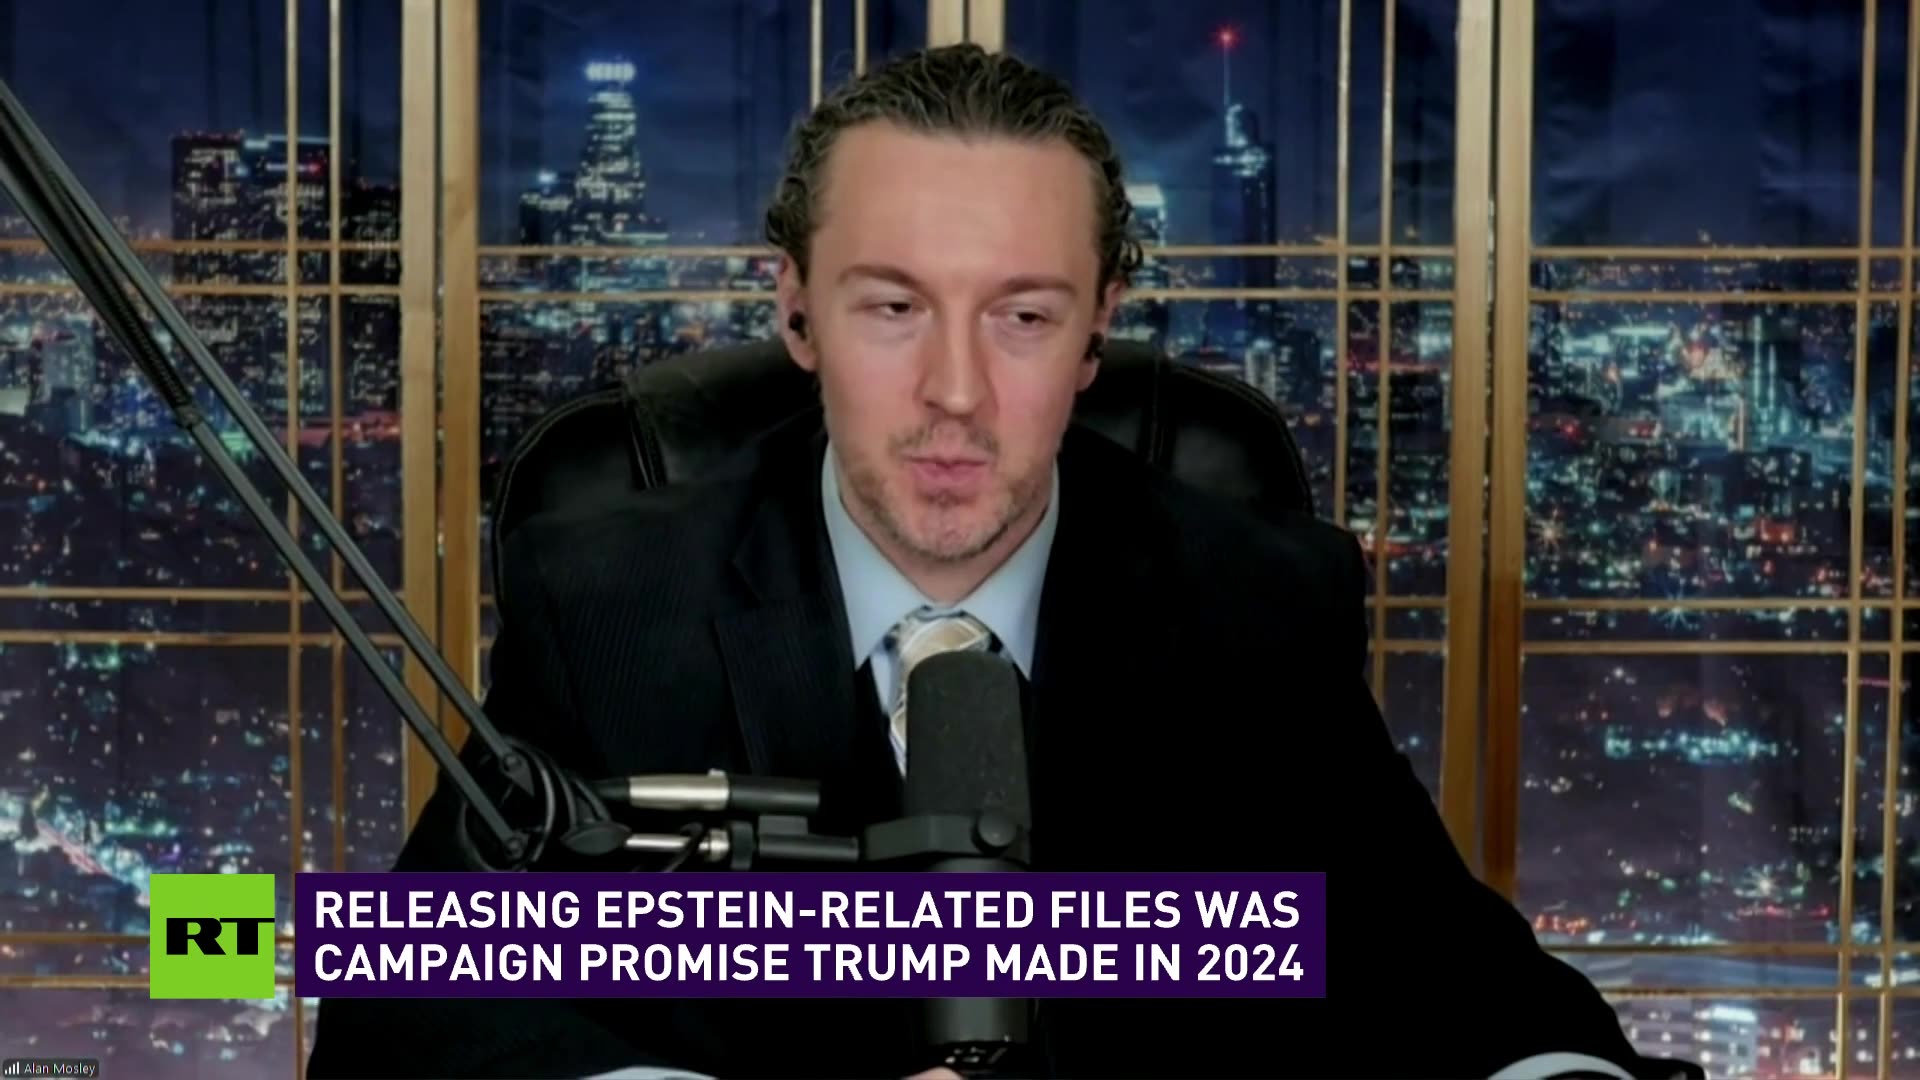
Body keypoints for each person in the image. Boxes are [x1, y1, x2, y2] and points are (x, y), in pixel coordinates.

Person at [309, 44, 1668, 1080]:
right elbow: (401, 1006)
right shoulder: (607, 600)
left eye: (1022, 316)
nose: (954, 393)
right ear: (797, 311)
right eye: (894, 306)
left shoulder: (1258, 604)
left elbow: (1457, 982)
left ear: (1096, 332)